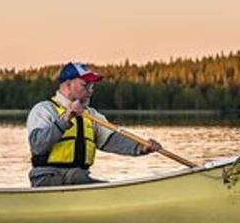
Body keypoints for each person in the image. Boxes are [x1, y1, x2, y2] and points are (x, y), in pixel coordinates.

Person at [27, 62, 161, 187]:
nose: (90, 90)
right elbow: (38, 145)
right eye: (85, 85)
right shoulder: (43, 110)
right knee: (78, 177)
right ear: (67, 85)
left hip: (77, 178)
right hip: (47, 178)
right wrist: (66, 118)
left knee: (79, 176)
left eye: (92, 86)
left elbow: (112, 140)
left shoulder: (92, 115)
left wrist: (141, 147)